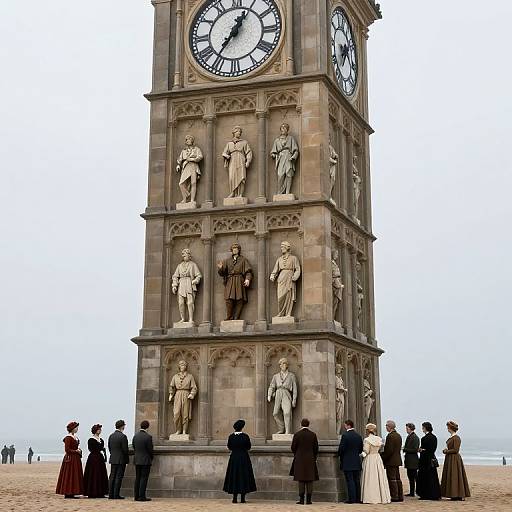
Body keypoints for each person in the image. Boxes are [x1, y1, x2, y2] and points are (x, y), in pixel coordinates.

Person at [223, 419, 257, 504]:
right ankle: (242, 498)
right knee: (243, 476)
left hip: (234, 458)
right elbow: (248, 447)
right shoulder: (245, 436)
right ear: (242, 427)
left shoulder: (231, 436)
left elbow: (229, 446)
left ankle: (234, 498)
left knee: (234, 476)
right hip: (244, 458)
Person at [217, 242, 253, 321]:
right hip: (230, 281)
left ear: (239, 250)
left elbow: (248, 272)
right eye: (233, 249)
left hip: (239, 280)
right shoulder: (227, 261)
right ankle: (229, 316)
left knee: (240, 299)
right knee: (228, 299)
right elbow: (223, 273)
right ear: (231, 250)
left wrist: (247, 279)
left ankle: (236, 317)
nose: (235, 250)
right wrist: (220, 268)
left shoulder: (243, 260)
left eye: (236, 249)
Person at [290, 418, 319, 505]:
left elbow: (293, 447)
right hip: (310, 459)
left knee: (301, 480)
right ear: (308, 424)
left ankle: (302, 500)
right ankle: (309, 500)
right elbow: (316, 448)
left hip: (299, 459)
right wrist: (313, 456)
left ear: (301, 424)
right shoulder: (313, 435)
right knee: (310, 480)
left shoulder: (297, 434)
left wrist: (297, 454)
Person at [361, 423, 391, 504]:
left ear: (367, 431)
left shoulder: (367, 440)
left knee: (370, 477)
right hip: (377, 458)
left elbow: (366, 451)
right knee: (379, 477)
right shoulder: (379, 439)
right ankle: (381, 496)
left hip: (370, 458)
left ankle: (370, 497)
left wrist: (361, 455)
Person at [441, 421, 470, 501]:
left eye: (448, 427)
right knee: (451, 476)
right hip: (450, 458)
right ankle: (452, 494)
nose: (447, 429)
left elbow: (456, 450)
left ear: (450, 428)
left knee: (455, 476)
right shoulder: (452, 437)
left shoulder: (456, 438)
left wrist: (446, 451)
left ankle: (457, 494)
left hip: (454, 459)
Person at [56, 421, 84, 499]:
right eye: (76, 427)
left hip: (75, 458)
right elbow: (67, 450)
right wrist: (76, 451)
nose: (77, 429)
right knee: (70, 475)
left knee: (74, 475)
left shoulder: (74, 437)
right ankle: (68, 493)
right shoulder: (68, 438)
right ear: (72, 428)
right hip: (70, 459)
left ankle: (73, 492)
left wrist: (78, 450)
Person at [337, 419, 363, 504]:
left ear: (348, 425)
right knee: (356, 480)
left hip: (347, 461)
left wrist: (340, 455)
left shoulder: (345, 436)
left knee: (349, 480)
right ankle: (358, 498)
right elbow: (360, 450)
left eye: (345, 425)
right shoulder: (358, 436)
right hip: (356, 461)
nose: (344, 427)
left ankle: (351, 499)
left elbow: (341, 449)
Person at [416, 421, 441, 500]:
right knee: (433, 477)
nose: (422, 429)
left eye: (423, 427)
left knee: (424, 478)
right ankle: (435, 494)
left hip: (424, 461)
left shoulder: (424, 438)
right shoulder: (434, 437)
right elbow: (432, 449)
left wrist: (421, 450)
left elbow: (424, 450)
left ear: (425, 428)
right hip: (431, 459)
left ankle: (425, 494)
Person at [176, 134, 203, 204]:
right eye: (187, 139)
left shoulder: (196, 149)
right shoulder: (183, 151)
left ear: (192, 141)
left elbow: (200, 157)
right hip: (186, 166)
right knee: (181, 184)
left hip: (193, 165)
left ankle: (192, 200)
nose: (189, 140)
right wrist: (178, 165)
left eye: (190, 139)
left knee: (193, 183)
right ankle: (185, 197)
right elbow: (180, 159)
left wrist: (191, 159)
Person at [83, 424, 109, 498]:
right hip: (93, 458)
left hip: (100, 458)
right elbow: (91, 449)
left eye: (100, 429)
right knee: (93, 474)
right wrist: (100, 449)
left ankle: (100, 492)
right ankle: (92, 492)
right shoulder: (91, 439)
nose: (100, 431)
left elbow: (101, 448)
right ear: (95, 430)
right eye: (98, 429)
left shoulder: (101, 440)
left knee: (100, 474)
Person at [381, 420, 404, 502]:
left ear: (389, 427)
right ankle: (400, 495)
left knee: (392, 479)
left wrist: (382, 457)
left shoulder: (390, 436)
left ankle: (394, 496)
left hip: (391, 461)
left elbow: (389, 450)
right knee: (397, 478)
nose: (386, 427)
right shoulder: (398, 435)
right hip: (397, 459)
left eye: (386, 426)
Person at [132, 420, 154, 502]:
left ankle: (136, 496)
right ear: (147, 427)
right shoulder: (148, 437)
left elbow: (134, 447)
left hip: (137, 459)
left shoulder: (135, 436)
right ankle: (142, 496)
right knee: (144, 478)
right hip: (145, 460)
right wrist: (151, 457)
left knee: (137, 478)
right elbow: (150, 450)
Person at [108, 419, 129, 500]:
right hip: (121, 459)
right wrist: (126, 459)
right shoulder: (123, 436)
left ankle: (110, 494)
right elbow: (125, 450)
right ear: (122, 426)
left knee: (112, 476)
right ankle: (116, 494)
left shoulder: (111, 436)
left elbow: (110, 447)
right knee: (118, 477)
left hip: (113, 458)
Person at [403, 423, 420, 497]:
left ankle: (417, 491)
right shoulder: (410, 436)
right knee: (410, 477)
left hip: (413, 460)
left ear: (411, 428)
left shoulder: (415, 437)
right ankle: (412, 492)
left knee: (414, 477)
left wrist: (405, 449)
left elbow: (415, 449)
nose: (406, 430)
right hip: (410, 460)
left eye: (407, 428)